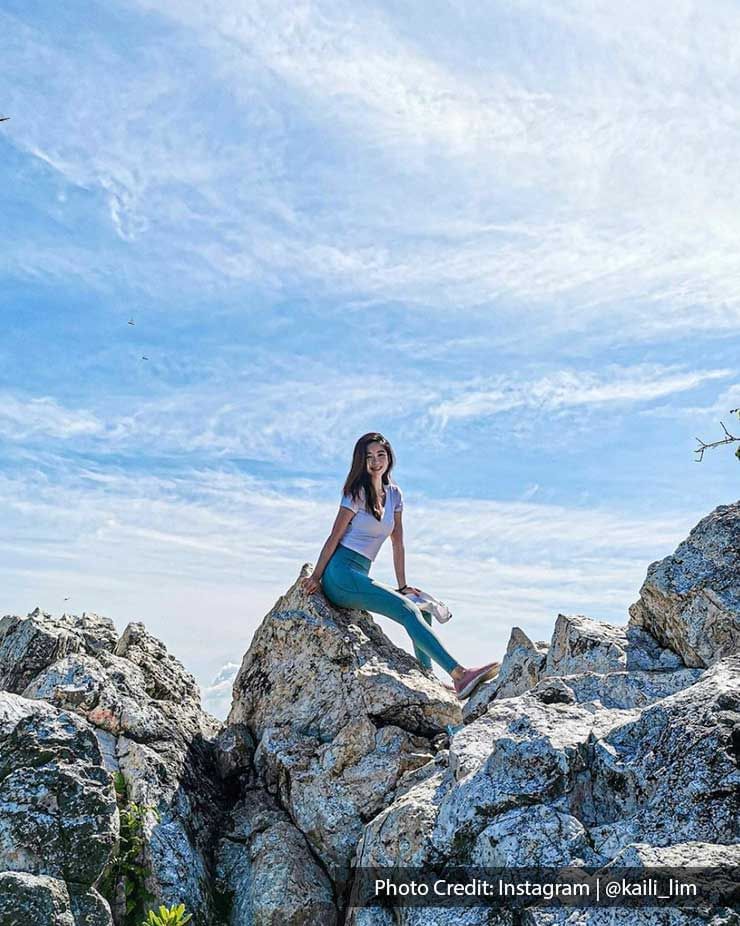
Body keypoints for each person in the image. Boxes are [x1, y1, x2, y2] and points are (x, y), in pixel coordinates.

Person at [301, 432, 500, 699]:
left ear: (389, 458)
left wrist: (403, 586)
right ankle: (460, 675)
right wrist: (316, 575)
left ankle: (427, 677)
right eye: (369, 457)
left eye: (380, 455)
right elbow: (333, 537)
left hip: (360, 573)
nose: (375, 462)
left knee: (418, 606)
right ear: (361, 461)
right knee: (406, 610)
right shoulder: (356, 494)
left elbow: (398, 543)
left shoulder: (394, 495)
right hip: (340, 575)